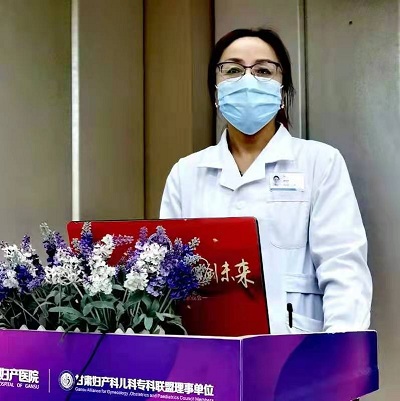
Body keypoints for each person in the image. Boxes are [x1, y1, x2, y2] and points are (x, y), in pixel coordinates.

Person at [160, 28, 372, 335]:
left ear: (282, 91)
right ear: (216, 91)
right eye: (233, 70)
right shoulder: (186, 173)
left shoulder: (320, 162)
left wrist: (337, 351)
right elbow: (168, 275)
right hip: (208, 347)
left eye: (263, 71)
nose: (248, 81)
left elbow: (344, 270)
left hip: (296, 346)